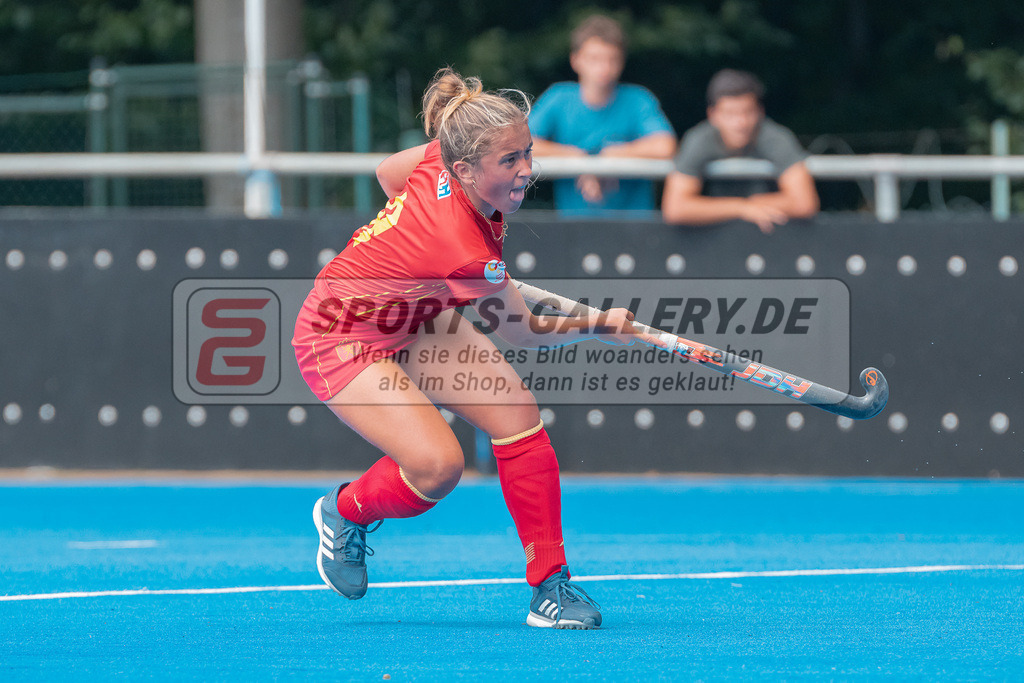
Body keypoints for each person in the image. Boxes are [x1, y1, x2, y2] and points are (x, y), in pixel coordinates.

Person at [292, 68, 651, 629]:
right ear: (464, 168)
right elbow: (523, 333)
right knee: (438, 468)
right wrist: (597, 324)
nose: (526, 170)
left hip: (416, 317)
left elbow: (388, 175)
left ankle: (550, 586)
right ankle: (343, 512)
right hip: (339, 335)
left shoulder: (444, 157)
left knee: (517, 416)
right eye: (509, 161)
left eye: (527, 153)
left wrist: (416, 264)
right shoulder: (461, 249)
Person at [529, 14, 676, 214]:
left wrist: (608, 159)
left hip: (635, 229)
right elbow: (520, 144)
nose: (604, 68)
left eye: (612, 59)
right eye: (594, 58)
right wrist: (579, 160)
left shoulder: (638, 99)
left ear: (622, 61)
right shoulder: (558, 97)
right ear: (575, 60)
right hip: (574, 230)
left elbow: (665, 146)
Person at [662, 69, 820, 233]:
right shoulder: (699, 139)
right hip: (709, 247)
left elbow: (804, 202)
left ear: (760, 111)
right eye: (730, 113)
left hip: (772, 239)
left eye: (747, 112)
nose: (740, 123)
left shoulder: (777, 138)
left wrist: (742, 207)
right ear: (713, 115)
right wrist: (742, 207)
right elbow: (675, 208)